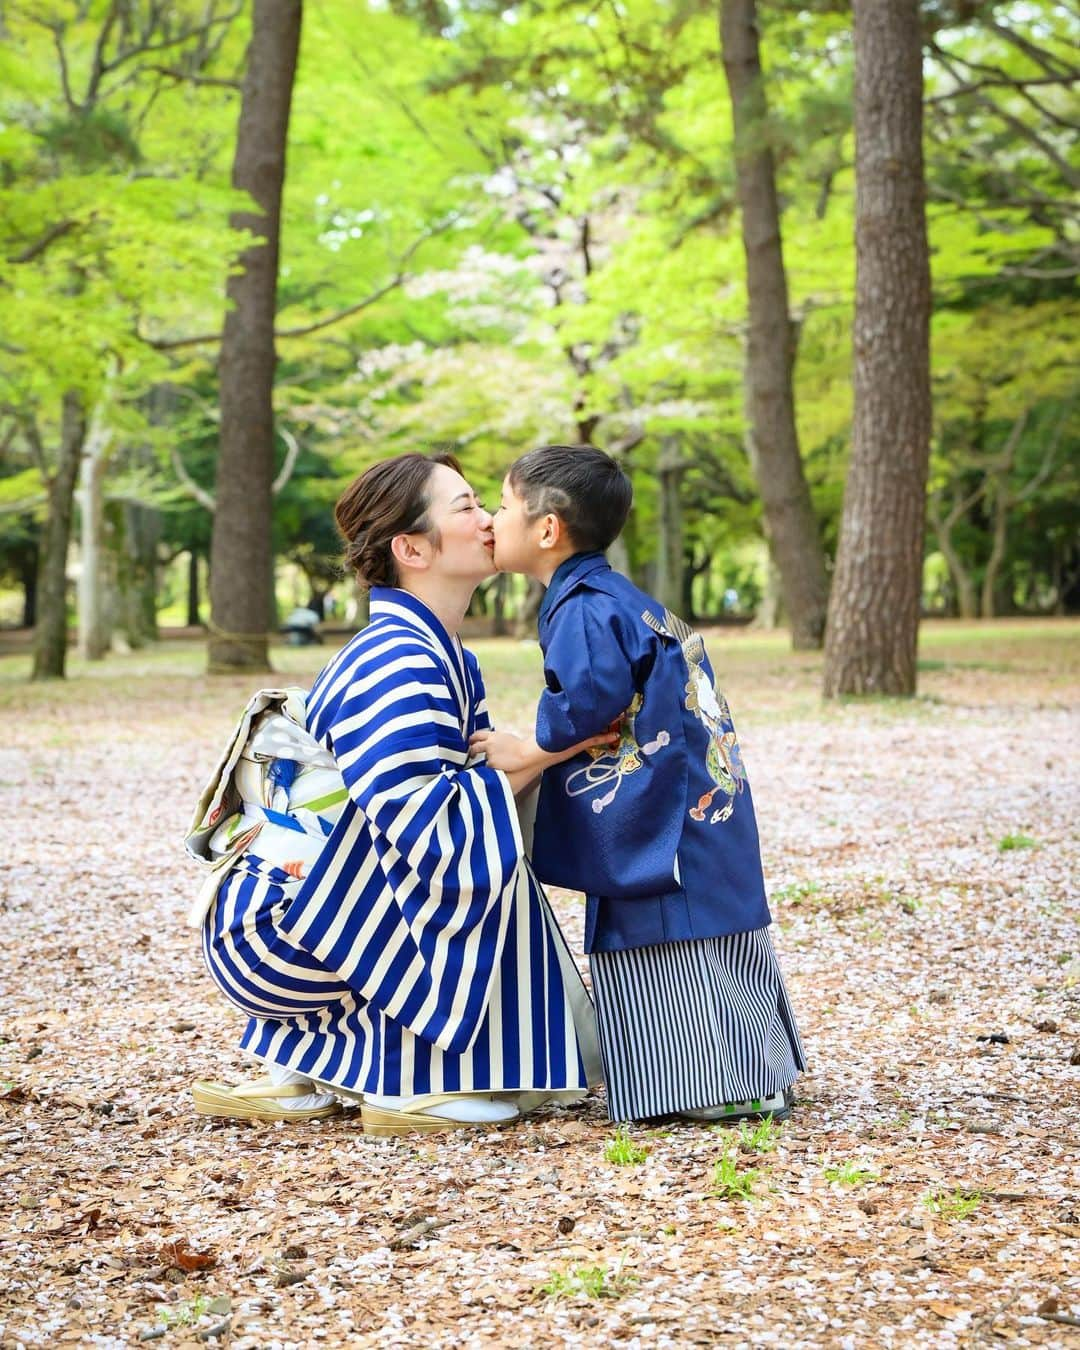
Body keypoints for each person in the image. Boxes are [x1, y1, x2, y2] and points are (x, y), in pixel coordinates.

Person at [188, 452, 604, 1134]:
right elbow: (423, 825)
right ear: (411, 547)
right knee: (477, 849)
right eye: (466, 508)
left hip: (305, 909)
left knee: (487, 833)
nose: (491, 522)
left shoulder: (434, 650)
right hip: (280, 930)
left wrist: (545, 750)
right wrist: (560, 744)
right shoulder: (401, 657)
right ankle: (416, 1086)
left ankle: (312, 1068)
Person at [470, 444, 805, 1124]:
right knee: (712, 930)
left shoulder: (584, 606)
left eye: (502, 506)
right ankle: (753, 1070)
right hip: (691, 798)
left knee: (665, 931)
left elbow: (589, 702)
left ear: (547, 528)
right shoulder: (614, 597)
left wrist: (527, 746)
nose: (490, 520)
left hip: (660, 810)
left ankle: (715, 1083)